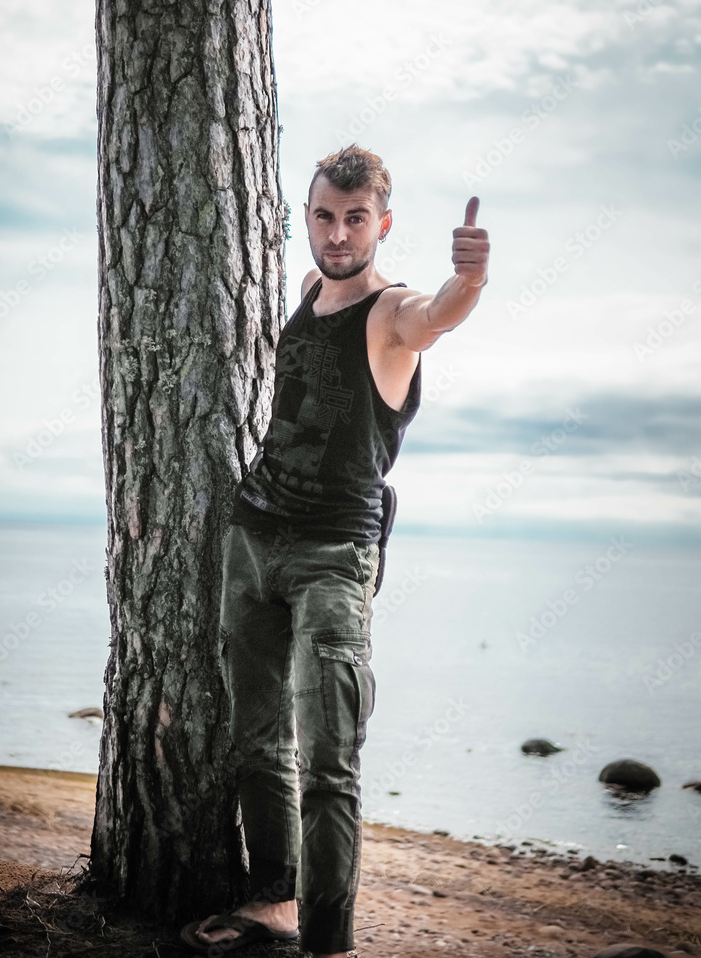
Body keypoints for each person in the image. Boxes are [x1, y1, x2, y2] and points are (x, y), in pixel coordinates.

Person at [180, 144, 489, 957]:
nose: (339, 233)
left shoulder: (392, 315)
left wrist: (472, 282)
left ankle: (329, 943)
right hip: (253, 537)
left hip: (333, 556)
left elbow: (439, 314)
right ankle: (276, 900)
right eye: (325, 216)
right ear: (308, 218)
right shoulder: (311, 288)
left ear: (382, 225)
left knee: (329, 759)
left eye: (357, 219)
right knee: (256, 741)